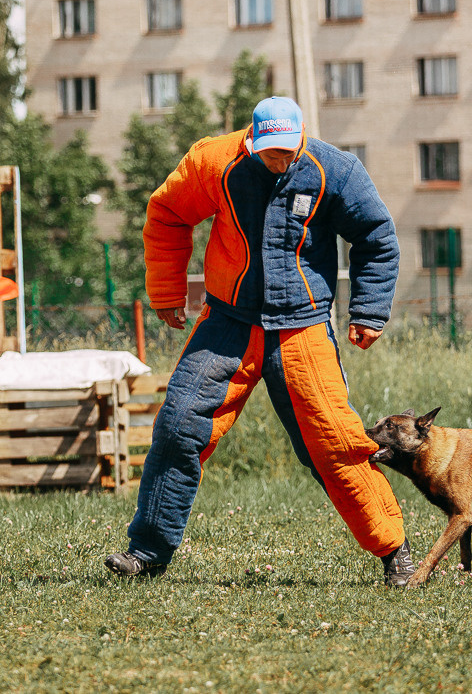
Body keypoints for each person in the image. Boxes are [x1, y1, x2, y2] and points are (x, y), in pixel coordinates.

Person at [105, 96, 415, 586]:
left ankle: (394, 549)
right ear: (251, 141)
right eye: (269, 151)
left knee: (334, 442)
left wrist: (369, 311)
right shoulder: (214, 162)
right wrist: (167, 291)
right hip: (228, 322)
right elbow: (166, 214)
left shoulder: (336, 169)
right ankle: (146, 552)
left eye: (288, 151)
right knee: (178, 425)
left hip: (303, 326)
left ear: (302, 138)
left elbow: (376, 235)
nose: (280, 161)